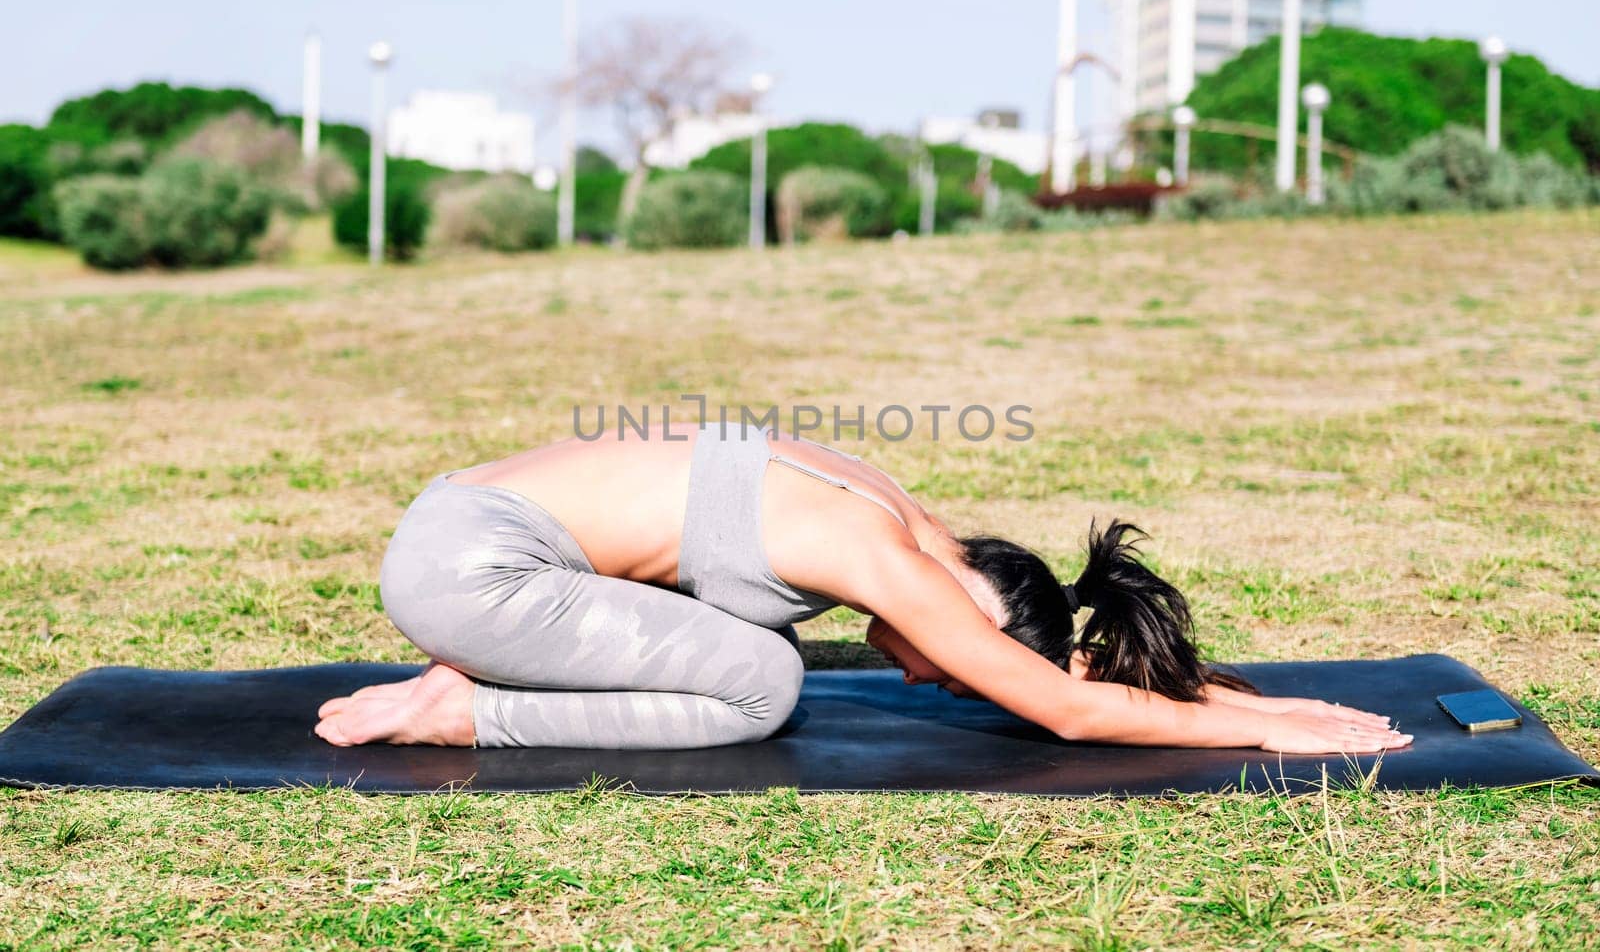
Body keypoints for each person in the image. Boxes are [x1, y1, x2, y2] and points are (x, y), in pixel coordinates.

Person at [314, 421, 1410, 754]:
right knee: (761, 683)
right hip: (473, 570)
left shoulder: (885, 500)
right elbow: (1068, 706)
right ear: (981, 608)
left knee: (739, 642)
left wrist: (1246, 696)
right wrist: (1272, 733)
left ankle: (459, 674)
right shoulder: (886, 562)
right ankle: (467, 705)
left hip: (462, 531)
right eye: (958, 665)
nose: (929, 669)